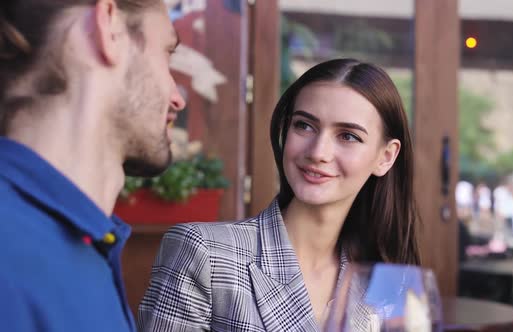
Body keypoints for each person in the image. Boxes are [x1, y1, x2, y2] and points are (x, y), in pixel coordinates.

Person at [138, 59, 421, 331]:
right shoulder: (205, 253)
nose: (318, 152)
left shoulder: (385, 281)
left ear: (385, 157)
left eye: (348, 136)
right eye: (304, 125)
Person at [0, 1, 185, 331]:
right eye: (166, 53)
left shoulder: (82, 240)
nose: (177, 98)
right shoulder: (12, 250)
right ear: (109, 26)